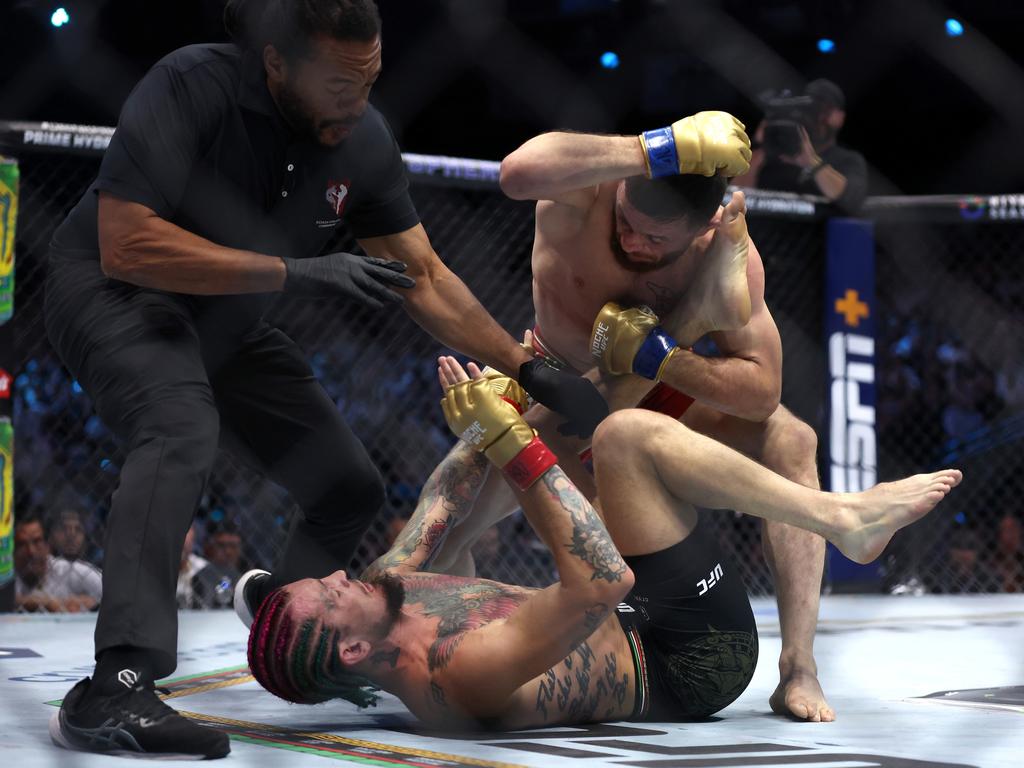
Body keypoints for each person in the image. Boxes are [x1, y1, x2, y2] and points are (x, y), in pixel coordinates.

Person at [46, 0, 605, 759]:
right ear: (277, 62)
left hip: (228, 317)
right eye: (339, 82)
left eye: (370, 79)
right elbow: (126, 243)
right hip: (113, 295)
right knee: (179, 425)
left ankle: (294, 641)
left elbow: (425, 276)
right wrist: (293, 271)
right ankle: (117, 686)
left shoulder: (360, 138)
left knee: (348, 485)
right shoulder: (191, 87)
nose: (359, 100)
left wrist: (530, 368)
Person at [401, 112, 839, 721]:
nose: (634, 242)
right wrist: (652, 148)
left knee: (792, 437)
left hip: (658, 394)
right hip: (552, 389)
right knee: (437, 540)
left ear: (704, 227)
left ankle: (800, 666)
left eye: (656, 241)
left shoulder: (723, 253)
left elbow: (762, 388)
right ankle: (389, 646)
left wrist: (662, 355)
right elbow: (516, 172)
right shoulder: (592, 190)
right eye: (628, 223)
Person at [246, 358, 961, 729]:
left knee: (587, 409)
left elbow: (439, 505)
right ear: (348, 651)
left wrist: (489, 411)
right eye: (330, 592)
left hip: (630, 610)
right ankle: (840, 520)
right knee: (623, 436)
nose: (340, 574)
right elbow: (601, 583)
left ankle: (839, 519)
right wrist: (507, 440)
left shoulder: (382, 592)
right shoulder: (456, 676)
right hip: (685, 662)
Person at [733, 79, 868, 213]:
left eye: (826, 111)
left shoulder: (848, 160)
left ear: (840, 117)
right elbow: (735, 195)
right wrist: (762, 145)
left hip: (815, 233)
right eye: (812, 110)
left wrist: (811, 161)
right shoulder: (775, 155)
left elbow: (849, 199)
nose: (819, 118)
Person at [14, 515, 103, 613]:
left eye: (37, 541)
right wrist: (46, 603)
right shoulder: (8, 575)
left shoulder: (68, 570)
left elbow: (114, 590)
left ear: (48, 546)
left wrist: (91, 603)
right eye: (22, 544)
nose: (31, 551)